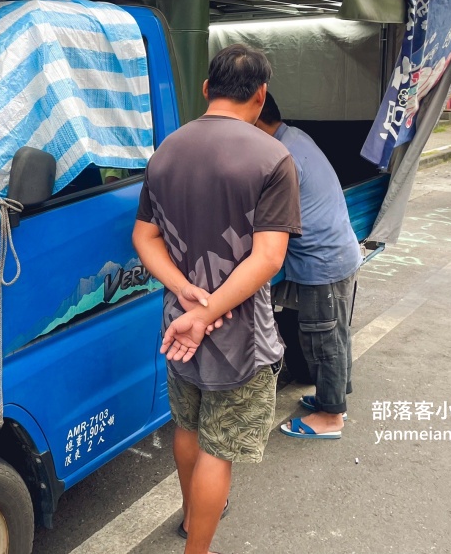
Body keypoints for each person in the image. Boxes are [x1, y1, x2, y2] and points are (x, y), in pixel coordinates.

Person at [132, 45, 301, 554]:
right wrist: (208, 312)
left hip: (178, 325)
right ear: (261, 94)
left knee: (188, 423)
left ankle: (190, 518)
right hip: (239, 334)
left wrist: (184, 293)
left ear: (207, 89)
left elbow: (145, 238)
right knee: (219, 448)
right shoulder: (273, 158)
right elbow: (269, 258)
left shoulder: (166, 151)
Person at [256, 93, 362, 440]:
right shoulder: (295, 137)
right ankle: (334, 394)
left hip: (323, 262)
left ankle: (332, 418)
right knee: (336, 333)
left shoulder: (279, 155)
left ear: (258, 119)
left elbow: (271, 221)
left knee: (321, 340)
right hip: (339, 252)